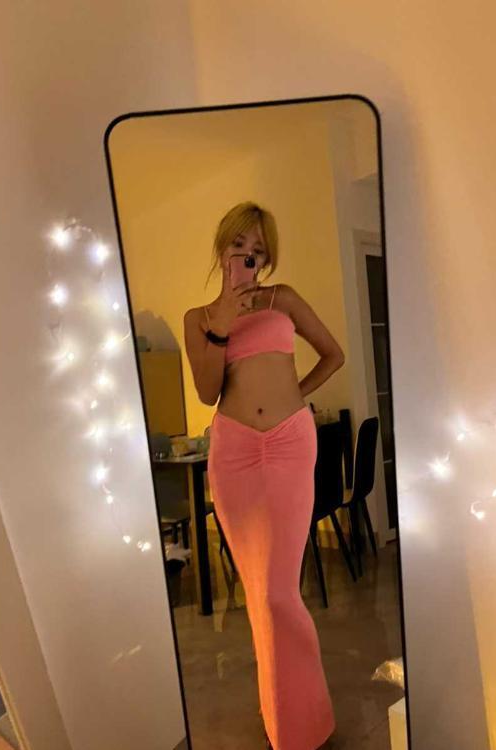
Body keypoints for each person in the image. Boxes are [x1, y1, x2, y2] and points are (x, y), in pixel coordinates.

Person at [183, 201, 345, 750]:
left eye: (258, 250)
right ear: (222, 248)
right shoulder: (198, 318)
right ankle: (284, 716)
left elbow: (333, 354)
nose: (248, 256)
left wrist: (293, 398)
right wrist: (222, 324)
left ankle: (303, 724)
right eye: (240, 246)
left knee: (278, 591)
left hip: (288, 445)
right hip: (233, 454)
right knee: (258, 590)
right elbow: (208, 391)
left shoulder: (284, 299)